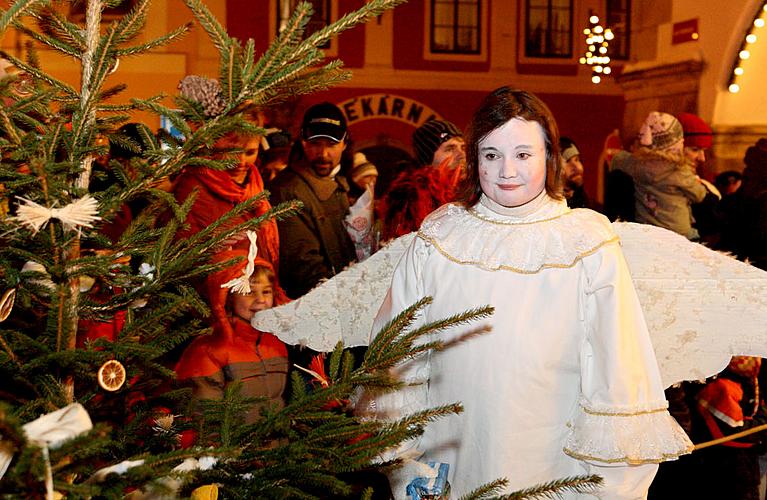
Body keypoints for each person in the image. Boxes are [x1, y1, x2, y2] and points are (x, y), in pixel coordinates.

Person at [367, 88, 692, 498]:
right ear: (474, 158)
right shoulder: (440, 238)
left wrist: (612, 486)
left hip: (555, 467)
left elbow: (617, 368)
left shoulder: (587, 243)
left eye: (523, 154)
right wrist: (405, 462)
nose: (507, 170)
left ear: (548, 157)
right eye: (491, 155)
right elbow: (400, 356)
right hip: (452, 462)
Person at [175, 246, 290, 424]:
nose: (260, 299)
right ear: (227, 298)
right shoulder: (208, 351)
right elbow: (204, 420)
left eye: (266, 291)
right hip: (234, 449)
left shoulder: (275, 343)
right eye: (249, 292)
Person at [270, 102, 358, 299]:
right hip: (317, 305)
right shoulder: (288, 190)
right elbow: (303, 268)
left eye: (332, 145)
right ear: (302, 141)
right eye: (315, 144)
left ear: (344, 143)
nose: (323, 154)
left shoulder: (342, 185)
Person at [172, 130, 280, 270]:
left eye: (250, 153)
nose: (241, 162)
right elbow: (188, 259)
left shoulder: (255, 186)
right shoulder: (193, 190)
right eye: (232, 152)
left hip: (259, 284)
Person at [610, 111, 707, 240]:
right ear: (677, 144)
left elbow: (618, 159)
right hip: (679, 233)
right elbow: (699, 195)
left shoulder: (634, 164)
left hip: (648, 232)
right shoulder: (679, 170)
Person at [559, 136, 593, 209]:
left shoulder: (589, 206)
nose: (577, 167)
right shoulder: (551, 208)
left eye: (577, 160)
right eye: (567, 161)